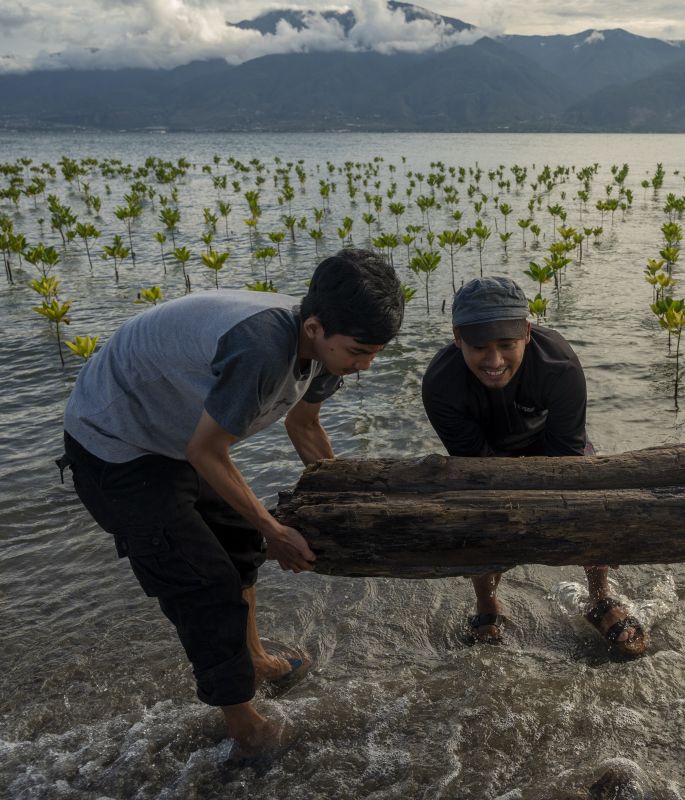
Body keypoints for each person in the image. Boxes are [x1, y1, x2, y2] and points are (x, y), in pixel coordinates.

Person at [60, 249, 403, 756]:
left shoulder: (327, 350)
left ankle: (256, 659)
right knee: (204, 581)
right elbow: (206, 451)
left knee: (239, 542)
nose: (366, 365)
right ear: (313, 327)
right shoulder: (262, 349)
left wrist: (344, 506)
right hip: (112, 443)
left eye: (375, 352)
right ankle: (244, 726)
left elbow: (303, 425)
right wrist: (277, 531)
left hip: (173, 435)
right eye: (359, 351)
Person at [422, 276, 648, 658]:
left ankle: (599, 595)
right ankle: (487, 603)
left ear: (526, 332)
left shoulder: (559, 365)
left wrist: (597, 527)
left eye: (507, 345)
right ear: (457, 337)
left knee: (588, 496)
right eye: (479, 347)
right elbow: (477, 466)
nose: (494, 362)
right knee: (479, 514)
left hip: (552, 443)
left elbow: (568, 462)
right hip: (486, 453)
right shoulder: (441, 384)